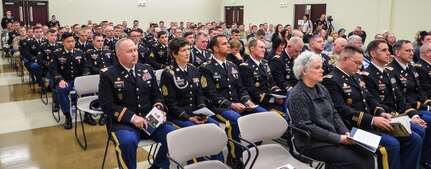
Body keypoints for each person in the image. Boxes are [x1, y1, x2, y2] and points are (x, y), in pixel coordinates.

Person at [322, 45, 422, 169]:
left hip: (370, 123)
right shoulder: (331, 80)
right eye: (357, 63)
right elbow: (341, 110)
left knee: (413, 138)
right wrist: (373, 120)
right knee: (391, 145)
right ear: (345, 59)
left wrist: (381, 112)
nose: (360, 66)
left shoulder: (356, 76)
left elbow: (369, 98)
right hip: (351, 128)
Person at [288, 51, 375, 169]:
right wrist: (339, 139)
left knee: (367, 155)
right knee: (355, 162)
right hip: (312, 142)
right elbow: (307, 127)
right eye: (317, 68)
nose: (322, 70)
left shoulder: (322, 88)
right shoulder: (298, 95)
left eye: (321, 67)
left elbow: (334, 113)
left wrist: (345, 132)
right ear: (304, 71)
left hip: (332, 135)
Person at [99, 38, 175, 169]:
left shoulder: (146, 69)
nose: (135, 54)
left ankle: (158, 166)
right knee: (127, 143)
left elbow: (156, 95)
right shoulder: (108, 74)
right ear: (119, 55)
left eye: (135, 50)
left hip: (149, 120)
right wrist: (133, 118)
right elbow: (107, 105)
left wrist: (158, 108)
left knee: (173, 135)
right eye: (130, 51)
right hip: (123, 124)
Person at [199, 35, 266, 169]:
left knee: (262, 114)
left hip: (238, 103)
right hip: (219, 107)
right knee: (234, 120)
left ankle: (253, 151)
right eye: (224, 44)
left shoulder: (232, 65)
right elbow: (210, 94)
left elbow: (241, 88)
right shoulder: (206, 68)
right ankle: (235, 156)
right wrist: (230, 104)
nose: (229, 45)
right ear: (215, 48)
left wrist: (246, 100)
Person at [362, 40, 431, 168]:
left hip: (396, 114)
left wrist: (414, 116)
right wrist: (404, 118)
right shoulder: (367, 75)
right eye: (384, 50)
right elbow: (377, 104)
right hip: (385, 117)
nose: (388, 53)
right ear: (373, 53)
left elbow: (400, 99)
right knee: (415, 135)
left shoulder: (388, 73)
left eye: (388, 50)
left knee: (418, 131)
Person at [160, 37, 223, 162]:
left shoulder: (193, 69)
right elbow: (170, 102)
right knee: (195, 132)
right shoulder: (168, 73)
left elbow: (199, 94)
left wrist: (201, 111)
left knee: (215, 127)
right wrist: (188, 117)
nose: (187, 53)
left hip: (195, 112)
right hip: (178, 115)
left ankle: (216, 162)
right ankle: (195, 163)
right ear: (174, 54)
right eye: (183, 50)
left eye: (188, 49)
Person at [49, 32, 91, 129]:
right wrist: (60, 80)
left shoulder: (79, 52)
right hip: (65, 80)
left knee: (88, 90)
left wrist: (85, 76)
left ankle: (87, 114)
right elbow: (53, 70)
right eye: (68, 42)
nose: (71, 44)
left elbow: (85, 67)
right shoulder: (56, 54)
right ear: (63, 43)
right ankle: (67, 116)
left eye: (72, 41)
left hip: (78, 79)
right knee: (61, 90)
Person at [239, 39, 285, 115]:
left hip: (271, 98)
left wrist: (278, 93)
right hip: (259, 102)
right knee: (281, 115)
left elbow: (271, 82)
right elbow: (252, 91)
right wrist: (273, 99)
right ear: (252, 48)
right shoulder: (245, 67)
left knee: (289, 101)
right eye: (261, 47)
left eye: (264, 48)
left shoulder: (265, 63)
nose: (264, 50)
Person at [37, 28, 63, 111]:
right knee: (54, 80)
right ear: (47, 36)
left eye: (55, 35)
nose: (53, 37)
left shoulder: (60, 45)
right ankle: (56, 102)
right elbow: (39, 60)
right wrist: (49, 64)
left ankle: (72, 100)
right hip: (48, 69)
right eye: (51, 36)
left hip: (61, 69)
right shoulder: (42, 46)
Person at [22, 26, 46, 92]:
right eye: (37, 32)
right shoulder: (29, 42)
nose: (39, 33)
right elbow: (27, 53)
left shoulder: (46, 41)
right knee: (34, 66)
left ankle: (52, 85)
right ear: (33, 33)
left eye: (41, 32)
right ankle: (42, 84)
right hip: (35, 61)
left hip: (45, 60)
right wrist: (35, 59)